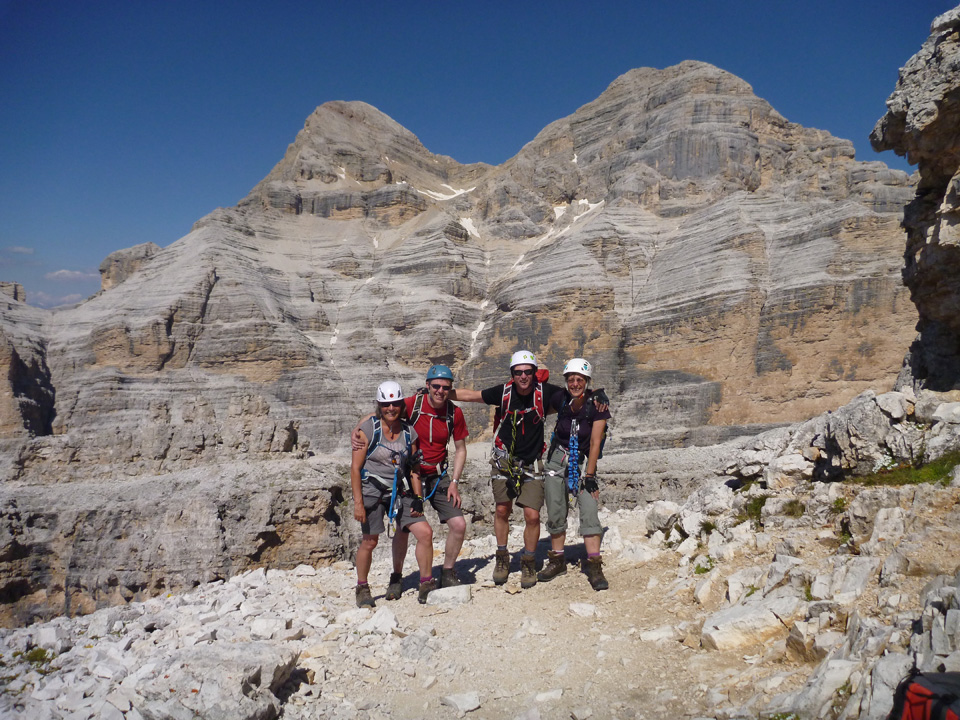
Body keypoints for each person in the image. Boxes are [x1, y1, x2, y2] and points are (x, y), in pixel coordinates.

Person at [449, 350, 565, 590]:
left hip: (532, 462)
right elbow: (470, 395)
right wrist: (438, 393)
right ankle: (502, 557)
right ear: (512, 374)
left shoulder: (545, 392)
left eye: (527, 372)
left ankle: (529, 560)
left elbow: (574, 396)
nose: (523, 376)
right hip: (503, 460)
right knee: (502, 509)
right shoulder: (504, 392)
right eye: (518, 372)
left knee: (532, 515)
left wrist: (595, 395)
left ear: (534, 373)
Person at [352, 365, 469, 594]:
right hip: (403, 479)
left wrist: (454, 482)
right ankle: (394, 578)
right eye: (436, 386)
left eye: (445, 387)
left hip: (436, 476)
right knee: (398, 532)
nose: (440, 391)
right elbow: (380, 413)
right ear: (428, 386)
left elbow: (460, 448)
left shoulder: (453, 414)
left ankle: (443, 574)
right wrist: (356, 430)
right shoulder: (412, 404)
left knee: (457, 524)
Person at [351, 380, 435, 607]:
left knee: (425, 532)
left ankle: (426, 582)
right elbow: (356, 469)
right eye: (386, 404)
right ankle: (362, 586)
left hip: (401, 491)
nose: (391, 408)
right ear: (379, 405)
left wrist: (418, 498)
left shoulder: (409, 433)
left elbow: (415, 469)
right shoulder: (368, 430)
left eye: (395, 403)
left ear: (401, 404)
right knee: (369, 541)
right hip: (372, 491)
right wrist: (358, 503)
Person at [538, 358, 611, 590]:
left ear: (587, 381)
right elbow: (538, 398)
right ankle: (557, 560)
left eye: (580, 380)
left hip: (581, 463)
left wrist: (589, 476)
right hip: (557, 459)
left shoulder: (597, 406)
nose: (575, 383)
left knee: (589, 508)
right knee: (556, 507)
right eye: (571, 379)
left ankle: (594, 565)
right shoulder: (560, 399)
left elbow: (595, 442)